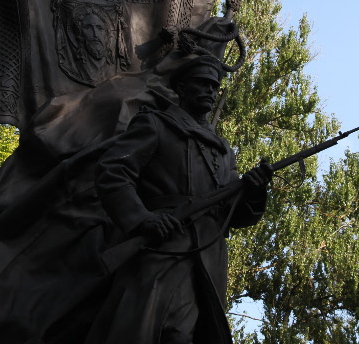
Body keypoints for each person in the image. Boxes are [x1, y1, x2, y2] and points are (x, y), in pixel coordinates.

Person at [89, 54, 273, 344]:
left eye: (214, 87)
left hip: (209, 262)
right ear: (183, 88)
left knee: (186, 335)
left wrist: (253, 191)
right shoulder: (156, 125)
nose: (210, 91)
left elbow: (233, 216)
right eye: (202, 84)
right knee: (141, 329)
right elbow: (113, 172)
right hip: (164, 246)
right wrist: (141, 219)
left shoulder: (224, 151)